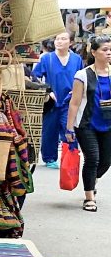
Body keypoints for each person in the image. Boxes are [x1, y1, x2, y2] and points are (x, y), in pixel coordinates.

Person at [66, 35, 111, 211]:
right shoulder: (83, 75)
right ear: (94, 52)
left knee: (106, 161)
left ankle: (92, 180)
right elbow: (74, 103)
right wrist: (69, 128)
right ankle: (89, 197)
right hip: (86, 124)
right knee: (92, 158)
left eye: (110, 49)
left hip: (108, 124)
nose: (109, 53)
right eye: (105, 50)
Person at [31, 31, 83, 168]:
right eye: (57, 39)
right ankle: (49, 159)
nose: (59, 41)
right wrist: (47, 91)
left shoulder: (77, 59)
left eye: (63, 39)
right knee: (49, 131)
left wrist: (77, 90)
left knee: (69, 128)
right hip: (52, 101)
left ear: (70, 42)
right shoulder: (46, 58)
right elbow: (34, 77)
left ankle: (71, 156)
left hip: (69, 101)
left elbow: (82, 77)